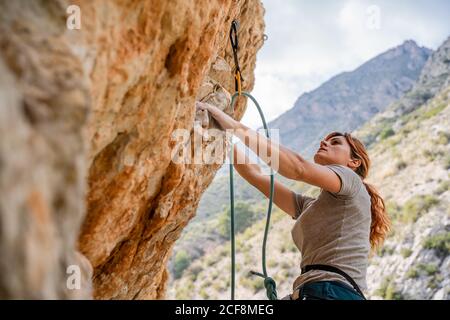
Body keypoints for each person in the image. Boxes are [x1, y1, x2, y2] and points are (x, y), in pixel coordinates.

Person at [195, 101, 391, 300]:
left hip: (331, 293)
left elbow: (297, 167)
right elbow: (255, 175)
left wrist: (229, 123)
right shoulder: (311, 206)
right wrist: (221, 135)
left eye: (336, 143)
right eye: (325, 140)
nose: (324, 143)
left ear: (354, 163)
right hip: (318, 291)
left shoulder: (352, 181)